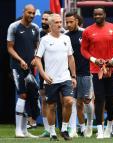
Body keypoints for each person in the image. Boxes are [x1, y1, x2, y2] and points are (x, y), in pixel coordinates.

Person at [81, 7, 113, 139]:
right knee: (99, 99)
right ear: (93, 16)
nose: (98, 16)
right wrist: (94, 60)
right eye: (95, 14)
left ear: (105, 14)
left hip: (111, 70)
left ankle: (109, 127)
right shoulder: (88, 31)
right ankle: (100, 129)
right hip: (96, 70)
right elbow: (84, 50)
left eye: (100, 14)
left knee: (111, 100)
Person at [35, 14, 77, 141]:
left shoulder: (66, 38)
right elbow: (37, 59)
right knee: (51, 106)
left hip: (65, 77)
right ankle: (52, 132)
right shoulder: (44, 40)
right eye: (57, 22)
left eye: (60, 22)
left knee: (69, 101)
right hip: (50, 80)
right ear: (50, 24)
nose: (60, 24)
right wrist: (43, 75)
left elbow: (70, 57)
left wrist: (73, 76)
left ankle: (64, 129)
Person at [7, 4, 39, 138]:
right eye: (29, 13)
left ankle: (25, 130)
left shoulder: (35, 28)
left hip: (31, 68)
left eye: (33, 13)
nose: (31, 16)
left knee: (31, 96)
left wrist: (36, 57)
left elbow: (37, 46)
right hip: (17, 66)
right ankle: (18, 130)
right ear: (24, 12)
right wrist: (20, 60)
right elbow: (9, 47)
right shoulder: (13, 26)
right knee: (22, 95)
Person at [65, 12, 94, 138]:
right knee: (73, 102)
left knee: (86, 101)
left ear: (77, 21)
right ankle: (75, 129)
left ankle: (89, 126)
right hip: (71, 75)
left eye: (71, 22)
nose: (69, 24)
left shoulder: (85, 33)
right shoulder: (64, 36)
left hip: (87, 72)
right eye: (67, 22)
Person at [38, 10, 53, 138]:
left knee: (65, 101)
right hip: (43, 72)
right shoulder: (38, 33)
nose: (43, 21)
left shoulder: (61, 34)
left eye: (46, 19)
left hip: (59, 72)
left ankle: (69, 127)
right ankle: (47, 129)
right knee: (44, 100)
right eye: (42, 19)